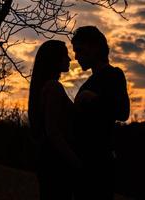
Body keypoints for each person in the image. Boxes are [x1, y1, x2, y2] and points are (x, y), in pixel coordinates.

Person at [71, 26, 130, 200]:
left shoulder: (114, 75)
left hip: (100, 164)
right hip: (83, 163)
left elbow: (123, 112)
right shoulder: (87, 83)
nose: (76, 56)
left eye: (80, 50)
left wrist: (93, 99)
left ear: (94, 48)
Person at [28, 40, 82, 200]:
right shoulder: (53, 87)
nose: (70, 59)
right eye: (65, 55)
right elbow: (53, 132)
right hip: (56, 162)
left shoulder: (44, 86)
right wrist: (76, 161)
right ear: (54, 59)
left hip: (48, 159)